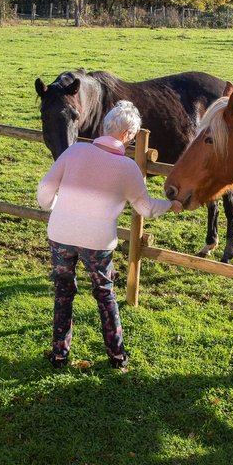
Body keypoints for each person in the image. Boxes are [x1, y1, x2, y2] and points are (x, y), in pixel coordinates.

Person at [36, 100, 181, 370]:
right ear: (127, 135)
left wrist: (57, 208)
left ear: (105, 126)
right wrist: (170, 206)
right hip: (98, 242)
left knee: (63, 292)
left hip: (61, 235)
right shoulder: (127, 168)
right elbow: (146, 208)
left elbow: (44, 190)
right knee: (104, 293)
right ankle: (117, 357)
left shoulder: (74, 151)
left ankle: (59, 354)